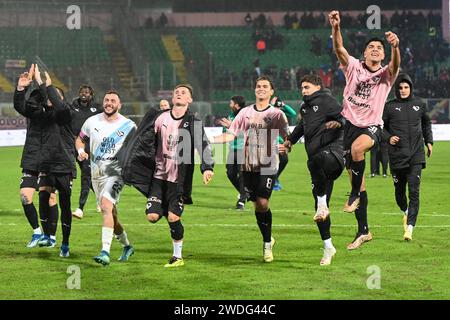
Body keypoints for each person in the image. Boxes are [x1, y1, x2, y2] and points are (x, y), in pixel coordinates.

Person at [120, 84, 214, 267]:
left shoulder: (193, 122)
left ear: (189, 100)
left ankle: (177, 257)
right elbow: (143, 137)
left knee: (173, 217)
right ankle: (169, 207)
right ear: (172, 98)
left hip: (178, 180)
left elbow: (203, 145)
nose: (179, 94)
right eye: (176, 92)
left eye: (184, 92)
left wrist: (207, 167)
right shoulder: (161, 117)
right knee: (152, 217)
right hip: (158, 177)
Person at [329, 10, 400, 249]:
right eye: (371, 47)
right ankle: (363, 231)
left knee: (359, 150)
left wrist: (395, 47)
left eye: (379, 48)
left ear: (383, 54)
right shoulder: (353, 67)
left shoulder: (386, 75)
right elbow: (339, 49)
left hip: (371, 127)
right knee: (358, 180)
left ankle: (354, 196)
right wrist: (336, 27)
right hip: (349, 125)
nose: (375, 49)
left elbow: (395, 64)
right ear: (365, 52)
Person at [212, 76, 290, 263]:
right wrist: (209, 141)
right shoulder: (244, 113)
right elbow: (230, 135)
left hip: (268, 163)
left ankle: (266, 244)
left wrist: (286, 146)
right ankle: (268, 237)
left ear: (271, 92)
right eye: (258, 86)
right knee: (257, 205)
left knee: (263, 202)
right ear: (254, 90)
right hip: (247, 164)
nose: (261, 89)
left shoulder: (277, 114)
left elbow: (288, 137)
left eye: (265, 86)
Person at [285, 74, 344, 266]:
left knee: (315, 162)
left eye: (307, 87)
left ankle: (322, 203)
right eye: (302, 88)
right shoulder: (305, 107)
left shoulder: (327, 100)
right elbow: (302, 126)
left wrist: (339, 123)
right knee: (320, 212)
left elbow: (345, 117)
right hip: (318, 163)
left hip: (333, 153)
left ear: (318, 87)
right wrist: (289, 141)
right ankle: (328, 246)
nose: (303, 91)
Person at [76, 90, 136, 266]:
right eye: (107, 100)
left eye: (113, 101)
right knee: (111, 214)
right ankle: (127, 246)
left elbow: (136, 149)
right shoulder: (91, 121)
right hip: (96, 174)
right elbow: (80, 140)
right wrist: (81, 151)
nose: (109, 103)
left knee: (105, 206)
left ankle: (105, 252)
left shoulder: (129, 125)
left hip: (116, 173)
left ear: (119, 105)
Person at [30, 67, 77, 258]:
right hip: (47, 164)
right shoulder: (43, 116)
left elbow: (59, 105)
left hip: (64, 166)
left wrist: (47, 85)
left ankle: (65, 242)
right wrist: (39, 85)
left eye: (56, 96)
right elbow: (29, 106)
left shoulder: (66, 114)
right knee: (42, 197)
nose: (52, 98)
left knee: (64, 205)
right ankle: (48, 235)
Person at [382, 73, 433, 241]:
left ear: (410, 88)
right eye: (400, 88)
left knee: (414, 192)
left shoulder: (420, 104)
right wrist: (388, 137)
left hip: (416, 156)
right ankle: (405, 212)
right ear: (396, 89)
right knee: (399, 194)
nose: (403, 90)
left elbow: (426, 123)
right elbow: (380, 128)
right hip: (397, 156)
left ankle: (410, 228)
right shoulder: (389, 107)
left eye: (406, 87)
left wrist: (429, 142)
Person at [13, 64, 56, 248]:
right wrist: (21, 89)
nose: (33, 103)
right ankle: (37, 231)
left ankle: (51, 236)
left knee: (50, 198)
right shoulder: (32, 112)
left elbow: (51, 103)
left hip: (50, 159)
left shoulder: (56, 113)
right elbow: (20, 105)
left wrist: (41, 83)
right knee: (25, 196)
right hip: (31, 157)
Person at [71, 85, 102, 219]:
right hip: (72, 145)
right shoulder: (72, 106)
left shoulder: (97, 108)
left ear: (91, 94)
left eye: (87, 92)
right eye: (82, 92)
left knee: (86, 175)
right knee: (81, 175)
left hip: (88, 147)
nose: (84, 94)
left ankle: (80, 208)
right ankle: (100, 199)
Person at [216, 95, 247, 210]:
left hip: (244, 149)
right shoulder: (230, 116)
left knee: (242, 174)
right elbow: (226, 133)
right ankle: (244, 193)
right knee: (230, 174)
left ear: (237, 105)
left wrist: (232, 126)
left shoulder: (245, 116)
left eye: (231, 103)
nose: (230, 105)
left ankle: (242, 200)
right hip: (232, 149)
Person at [270, 96, 296, 191]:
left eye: (280, 107)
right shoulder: (270, 113)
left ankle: (275, 178)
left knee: (284, 160)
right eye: (277, 107)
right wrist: (272, 105)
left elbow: (293, 113)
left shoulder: (282, 114)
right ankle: (272, 181)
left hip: (281, 142)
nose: (278, 109)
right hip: (271, 141)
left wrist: (284, 105)